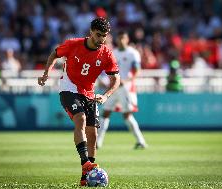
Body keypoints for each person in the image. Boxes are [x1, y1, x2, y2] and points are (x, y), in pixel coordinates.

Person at [37, 17, 120, 186]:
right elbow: (55, 53)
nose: (100, 39)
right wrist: (46, 73)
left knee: (93, 133)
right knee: (80, 119)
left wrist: (106, 96)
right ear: (91, 32)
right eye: (98, 35)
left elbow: (116, 79)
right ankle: (86, 164)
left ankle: (86, 175)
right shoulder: (73, 44)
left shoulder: (106, 54)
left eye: (104, 36)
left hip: (89, 93)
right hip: (69, 87)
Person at [97, 31, 147, 150]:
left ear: (127, 39)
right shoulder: (113, 53)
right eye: (119, 38)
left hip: (125, 88)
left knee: (126, 115)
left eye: (123, 38)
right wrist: (104, 81)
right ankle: (98, 142)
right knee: (106, 113)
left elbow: (137, 70)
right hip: (114, 87)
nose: (120, 40)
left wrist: (128, 80)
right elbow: (107, 70)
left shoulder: (132, 53)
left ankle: (141, 141)